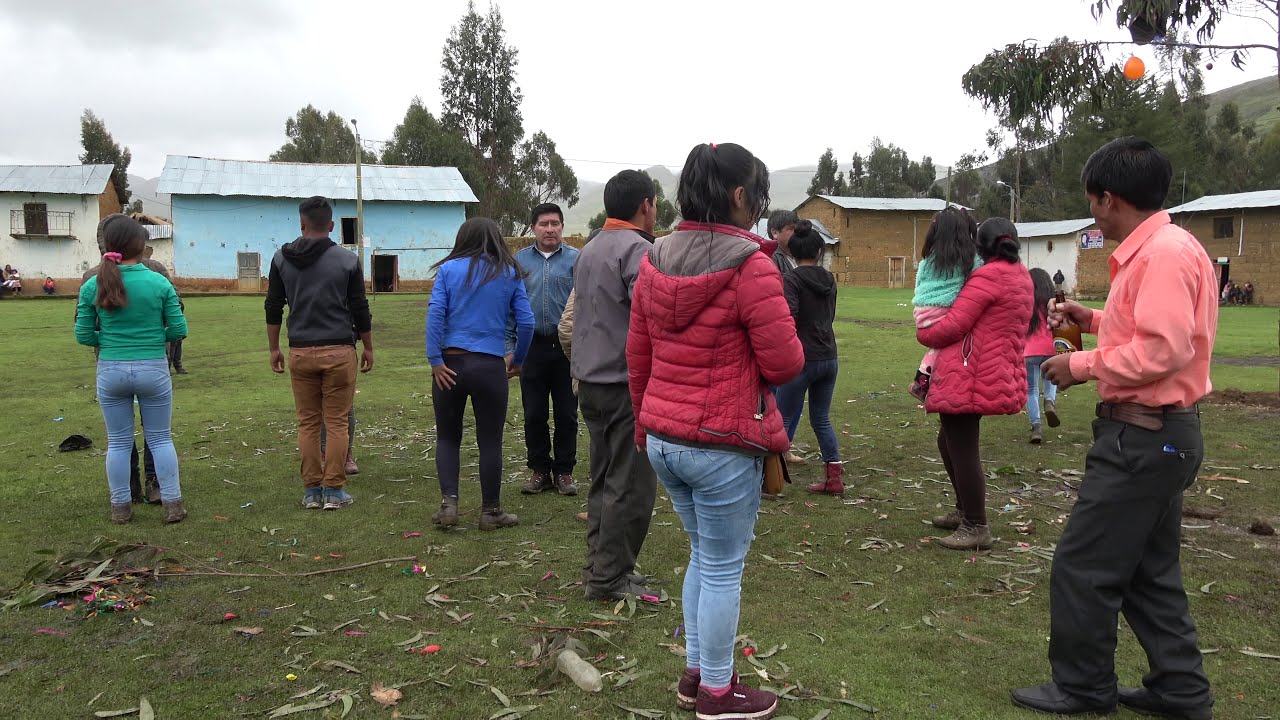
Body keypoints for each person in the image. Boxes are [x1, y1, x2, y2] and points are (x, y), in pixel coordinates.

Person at [1013, 137, 1218, 719]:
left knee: (1084, 564)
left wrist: (1079, 364)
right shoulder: (1169, 248)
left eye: (1092, 203)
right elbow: (1153, 332)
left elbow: (1162, 350)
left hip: (1143, 434)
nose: (1092, 215)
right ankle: (1180, 690)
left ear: (1108, 198)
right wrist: (1094, 319)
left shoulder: (1161, 255)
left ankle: (1082, 687)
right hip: (1163, 434)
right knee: (1150, 571)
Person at [628, 142, 803, 720]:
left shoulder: (653, 258)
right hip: (721, 443)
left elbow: (638, 356)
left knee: (703, 555)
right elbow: (783, 365)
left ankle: (697, 674)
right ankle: (718, 693)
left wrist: (642, 427)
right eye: (758, 194)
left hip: (663, 439)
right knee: (723, 564)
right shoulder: (753, 265)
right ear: (738, 195)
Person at [567, 170, 659, 600]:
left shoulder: (589, 250)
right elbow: (652, 320)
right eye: (655, 205)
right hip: (625, 384)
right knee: (632, 484)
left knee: (603, 477)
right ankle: (609, 579)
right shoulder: (638, 250)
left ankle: (598, 566)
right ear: (646, 205)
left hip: (589, 381)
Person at [916, 216, 1033, 551]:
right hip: (990, 367)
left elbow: (953, 325)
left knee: (963, 450)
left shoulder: (987, 278)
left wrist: (924, 330)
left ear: (980, 246)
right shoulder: (1019, 274)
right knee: (947, 441)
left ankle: (976, 524)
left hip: (971, 371)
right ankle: (964, 509)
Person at [74, 215, 188, 524]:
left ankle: (121, 507)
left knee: (119, 443)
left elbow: (83, 335)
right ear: (142, 247)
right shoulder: (159, 281)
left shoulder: (92, 285)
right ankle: (172, 504)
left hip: (110, 369)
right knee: (161, 439)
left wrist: (109, 340)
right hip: (152, 367)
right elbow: (178, 328)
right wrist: (153, 338)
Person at [264, 196, 374, 511]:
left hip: (300, 351)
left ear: (301, 224)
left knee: (308, 423)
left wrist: (274, 349)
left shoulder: (280, 259)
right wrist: (367, 346)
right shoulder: (347, 260)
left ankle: (312, 489)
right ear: (331, 225)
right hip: (339, 350)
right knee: (337, 421)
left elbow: (273, 307)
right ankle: (334, 489)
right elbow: (359, 308)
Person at [427, 217, 533, 531]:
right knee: (490, 440)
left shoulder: (447, 270)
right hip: (490, 367)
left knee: (447, 436)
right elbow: (526, 323)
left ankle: (449, 505)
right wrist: (518, 359)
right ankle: (491, 511)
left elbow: (435, 314)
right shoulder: (510, 272)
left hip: (450, 366)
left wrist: (435, 360)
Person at [511, 203, 580, 497]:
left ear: (563, 226)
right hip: (531, 348)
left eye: (555, 223)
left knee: (567, 413)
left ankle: (564, 471)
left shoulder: (578, 260)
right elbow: (510, 307)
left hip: (567, 348)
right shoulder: (518, 262)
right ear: (533, 228)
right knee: (534, 413)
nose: (550, 229)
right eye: (543, 223)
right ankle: (539, 470)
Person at [774, 219, 844, 496]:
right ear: (818, 252)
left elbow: (788, 318)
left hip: (802, 358)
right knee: (821, 418)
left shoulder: (790, 280)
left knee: (784, 417)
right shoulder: (830, 279)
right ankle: (834, 477)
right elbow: (831, 315)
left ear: (791, 253)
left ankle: (772, 478)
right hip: (829, 356)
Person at [909, 207, 981, 401]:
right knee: (956, 339)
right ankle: (924, 383)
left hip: (922, 312)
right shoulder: (970, 260)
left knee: (939, 348)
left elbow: (919, 284)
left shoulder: (928, 259)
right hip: (942, 310)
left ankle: (922, 381)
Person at [1024, 268, 1061, 444]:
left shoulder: (1025, 303)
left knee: (1031, 390)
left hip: (1029, 352)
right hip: (1050, 350)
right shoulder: (1052, 303)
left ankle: (1036, 427)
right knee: (1050, 381)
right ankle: (1049, 401)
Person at [142, 245, 187, 375]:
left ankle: (174, 366)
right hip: (163, 315)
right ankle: (171, 367)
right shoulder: (157, 267)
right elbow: (172, 290)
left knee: (174, 342)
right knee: (172, 342)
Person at [767, 209, 798, 277]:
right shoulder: (770, 259)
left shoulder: (802, 254)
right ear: (775, 233)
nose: (796, 232)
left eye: (797, 228)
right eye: (791, 229)